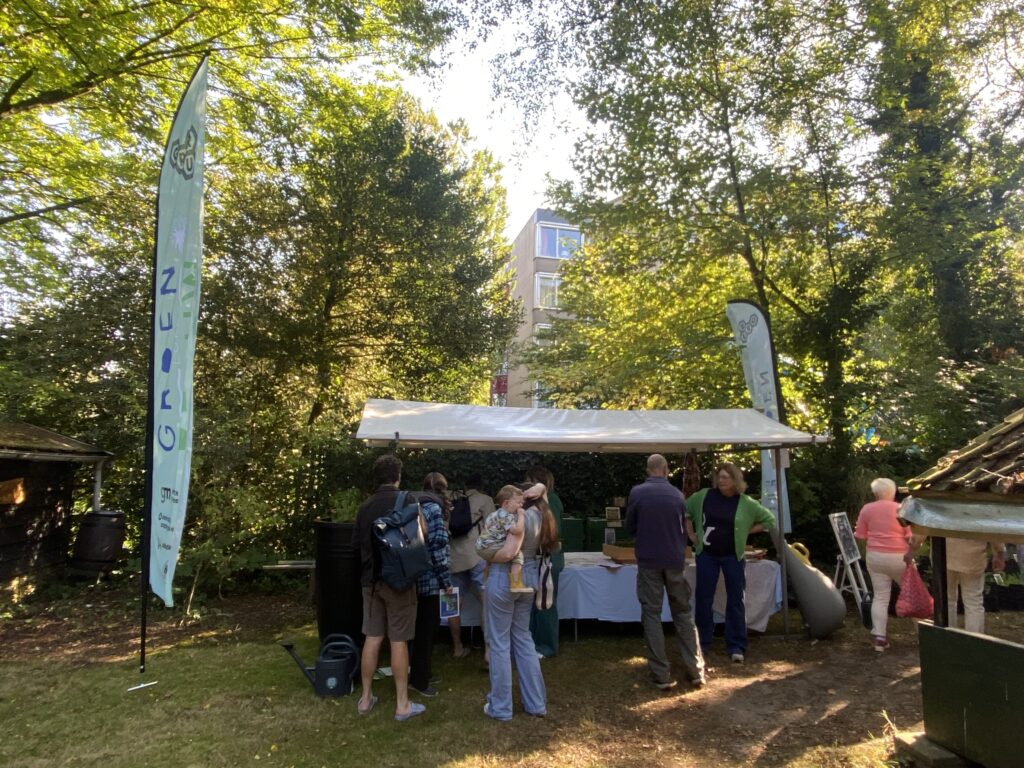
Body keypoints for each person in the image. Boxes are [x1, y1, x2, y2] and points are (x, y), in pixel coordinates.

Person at [352, 454, 424, 721]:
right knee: (398, 640)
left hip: (370, 582)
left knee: (372, 638)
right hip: (400, 582)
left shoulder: (365, 506)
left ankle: (365, 699)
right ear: (398, 476)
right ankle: (402, 705)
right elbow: (421, 537)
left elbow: (355, 546)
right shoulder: (407, 500)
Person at [625, 454, 705, 691]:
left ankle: (660, 673)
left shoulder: (638, 493)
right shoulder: (677, 495)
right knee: (683, 612)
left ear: (648, 470)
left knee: (651, 613)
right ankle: (695, 670)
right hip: (674, 560)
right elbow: (683, 526)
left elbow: (631, 526)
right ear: (666, 470)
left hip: (649, 560)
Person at [686, 462, 777, 664]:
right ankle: (702, 642)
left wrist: (746, 531)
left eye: (726, 477)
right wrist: (691, 534)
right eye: (719, 477)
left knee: (736, 599)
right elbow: (686, 511)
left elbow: (769, 520)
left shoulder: (745, 502)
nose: (721, 481)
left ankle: (736, 645)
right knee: (703, 597)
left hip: (732, 556)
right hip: (707, 554)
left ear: (735, 480)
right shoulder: (704, 496)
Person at [483, 484, 551, 720]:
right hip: (529, 577)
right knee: (523, 638)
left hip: (505, 577)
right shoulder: (542, 513)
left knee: (499, 642)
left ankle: (500, 707)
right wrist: (538, 489)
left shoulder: (510, 517)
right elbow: (543, 489)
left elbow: (502, 552)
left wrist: (486, 555)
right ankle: (536, 703)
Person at [853, 477, 920, 652]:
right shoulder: (900, 509)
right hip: (899, 556)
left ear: (875, 493)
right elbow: (910, 535)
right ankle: (923, 633)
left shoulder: (867, 509)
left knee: (881, 597)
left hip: (875, 557)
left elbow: (860, 535)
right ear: (893, 492)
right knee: (912, 593)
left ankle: (880, 638)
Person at [408, 472, 453, 697]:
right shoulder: (434, 510)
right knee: (427, 629)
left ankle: (420, 672)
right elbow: (437, 549)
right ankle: (419, 680)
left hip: (415, 576)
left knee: (420, 629)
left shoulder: (417, 505)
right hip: (430, 580)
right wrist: (446, 581)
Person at [447, 474, 492, 660]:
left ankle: (457, 647)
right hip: (476, 556)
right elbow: (492, 527)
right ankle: (489, 651)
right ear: (480, 486)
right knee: (486, 600)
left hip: (452, 559)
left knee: (450, 604)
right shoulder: (485, 500)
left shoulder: (450, 498)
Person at [526, 465, 564, 657]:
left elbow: (550, 533)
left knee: (545, 603)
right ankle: (536, 642)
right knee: (539, 603)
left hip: (547, 558)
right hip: (546, 557)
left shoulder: (549, 501)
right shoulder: (552, 499)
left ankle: (546, 646)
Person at [476, 484, 533, 593]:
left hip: (482, 546)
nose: (521, 506)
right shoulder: (505, 515)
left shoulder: (494, 514)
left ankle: (485, 581)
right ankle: (516, 584)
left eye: (522, 503)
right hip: (490, 545)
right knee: (518, 555)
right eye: (518, 503)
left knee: (489, 561)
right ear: (506, 503)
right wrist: (521, 516)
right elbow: (517, 530)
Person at [946, 537, 1006, 634]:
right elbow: (989, 525)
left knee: (947, 600)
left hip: (944, 552)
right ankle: (974, 642)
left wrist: (915, 544)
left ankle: (946, 639)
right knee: (973, 602)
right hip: (973, 555)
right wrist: (999, 551)